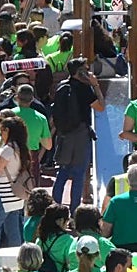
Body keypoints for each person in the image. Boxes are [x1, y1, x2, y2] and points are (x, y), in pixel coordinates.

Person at [51, 57, 105, 206]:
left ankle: (55, 207)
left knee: (62, 172)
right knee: (78, 174)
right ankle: (74, 211)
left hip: (64, 135)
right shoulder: (84, 89)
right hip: (80, 134)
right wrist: (96, 85)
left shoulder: (62, 87)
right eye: (86, 69)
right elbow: (100, 106)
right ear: (80, 73)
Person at [0, 115, 29, 247]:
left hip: (5, 194)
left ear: (9, 131)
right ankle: (15, 258)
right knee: (13, 230)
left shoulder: (8, 149)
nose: (0, 132)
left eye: (3, 129)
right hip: (16, 194)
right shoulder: (20, 148)